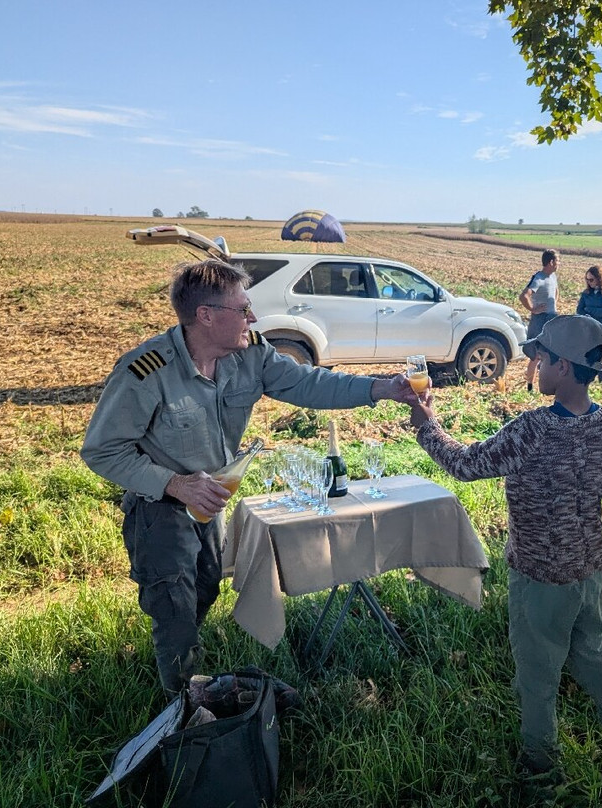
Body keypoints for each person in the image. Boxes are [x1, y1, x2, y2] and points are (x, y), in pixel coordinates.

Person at [81, 258, 420, 697]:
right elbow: (102, 451)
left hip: (211, 503)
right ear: (206, 315)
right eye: (243, 309)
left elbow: (309, 384)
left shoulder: (251, 354)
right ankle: (184, 710)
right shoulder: (146, 372)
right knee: (174, 606)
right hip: (161, 509)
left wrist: (380, 388)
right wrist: (175, 483)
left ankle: (184, 667)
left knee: (205, 587)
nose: (253, 317)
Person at [409, 315, 602, 785]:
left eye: (542, 358)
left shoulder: (531, 429)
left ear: (566, 368)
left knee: (536, 674)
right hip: (589, 572)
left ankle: (541, 768)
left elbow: (468, 464)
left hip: (538, 578)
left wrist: (428, 427)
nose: (534, 364)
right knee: (595, 653)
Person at [518, 249, 560, 392]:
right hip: (539, 321)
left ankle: (547, 386)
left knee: (550, 356)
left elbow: (555, 292)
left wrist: (554, 306)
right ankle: (530, 387)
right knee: (536, 356)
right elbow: (524, 296)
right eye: (557, 261)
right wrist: (533, 309)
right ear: (551, 262)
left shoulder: (553, 276)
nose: (558, 264)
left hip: (551, 319)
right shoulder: (538, 278)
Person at [575, 265, 602, 334]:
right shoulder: (586, 293)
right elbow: (579, 310)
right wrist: (595, 312)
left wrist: (588, 309)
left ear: (599, 278)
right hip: (588, 327)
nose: (589, 282)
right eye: (587, 280)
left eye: (591, 280)